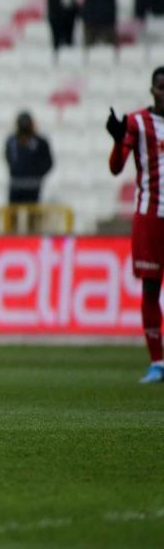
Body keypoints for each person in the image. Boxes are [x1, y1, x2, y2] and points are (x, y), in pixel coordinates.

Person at [107, 66, 164, 383]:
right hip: (150, 216)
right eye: (161, 87)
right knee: (151, 288)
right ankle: (158, 362)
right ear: (152, 90)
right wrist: (118, 142)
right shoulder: (137, 123)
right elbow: (116, 168)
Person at [5, 112, 54, 228]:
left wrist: (37, 174)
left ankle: (33, 236)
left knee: (33, 219)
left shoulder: (40, 142)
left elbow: (48, 162)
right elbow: (8, 158)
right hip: (16, 185)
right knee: (13, 218)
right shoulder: (11, 141)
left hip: (33, 186)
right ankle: (12, 236)